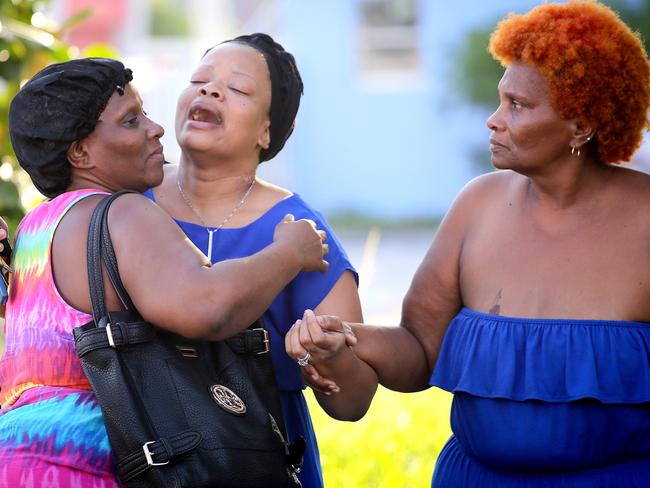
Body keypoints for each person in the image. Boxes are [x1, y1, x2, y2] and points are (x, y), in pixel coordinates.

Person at [287, 1, 650, 486]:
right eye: (501, 100)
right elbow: (419, 352)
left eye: (517, 105)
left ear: (581, 125)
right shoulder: (476, 205)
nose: (493, 120)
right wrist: (348, 336)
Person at [0, 58, 329, 486]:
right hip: (90, 470)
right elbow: (208, 306)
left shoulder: (34, 228)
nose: (155, 129)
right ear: (80, 152)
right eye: (131, 120)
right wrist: (289, 252)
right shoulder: (122, 212)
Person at [144, 33, 378, 488]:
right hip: (140, 451)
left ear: (267, 131)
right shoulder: (127, 203)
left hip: (258, 459)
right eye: (200, 79)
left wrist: (330, 359)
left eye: (239, 89)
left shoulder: (302, 233)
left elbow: (354, 402)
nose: (210, 91)